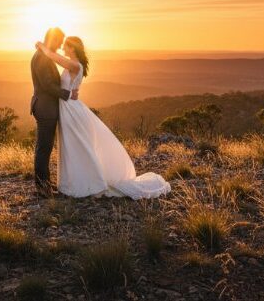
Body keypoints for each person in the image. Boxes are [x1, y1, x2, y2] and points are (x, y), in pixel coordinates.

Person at [34, 35, 171, 199]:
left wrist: (42, 46)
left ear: (73, 48)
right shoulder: (75, 64)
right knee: (71, 146)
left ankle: (88, 183)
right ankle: (72, 183)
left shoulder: (74, 65)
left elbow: (54, 57)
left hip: (71, 110)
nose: (63, 48)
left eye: (66, 46)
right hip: (68, 107)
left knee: (76, 145)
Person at [29, 27, 76, 198]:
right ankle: (42, 188)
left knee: (45, 147)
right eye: (59, 41)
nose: (61, 44)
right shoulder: (41, 58)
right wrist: (68, 94)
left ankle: (45, 185)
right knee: (44, 148)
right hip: (45, 107)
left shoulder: (43, 55)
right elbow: (48, 85)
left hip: (45, 106)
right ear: (52, 39)